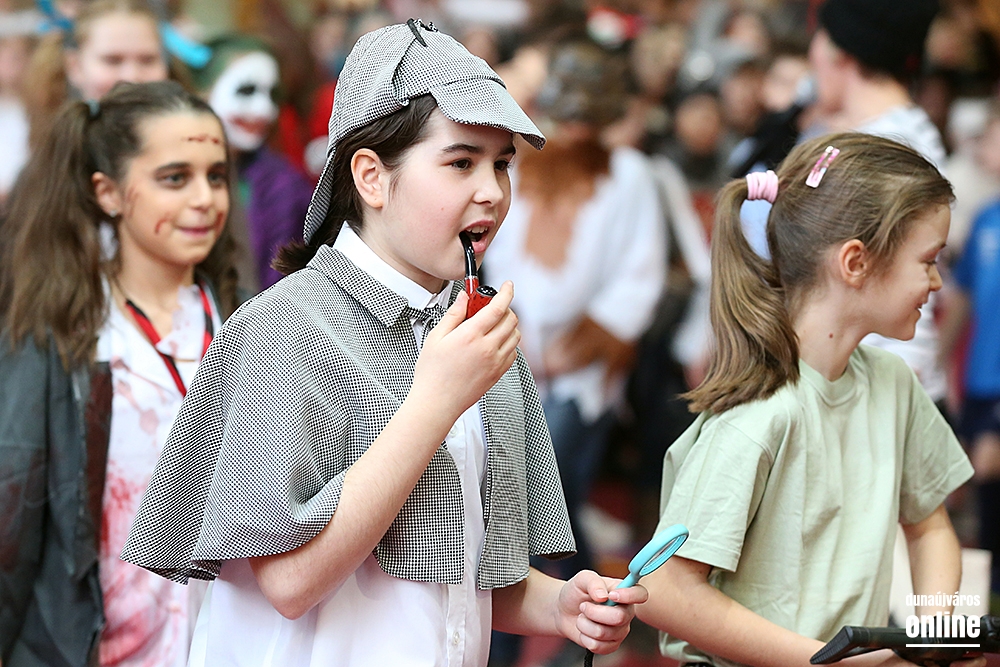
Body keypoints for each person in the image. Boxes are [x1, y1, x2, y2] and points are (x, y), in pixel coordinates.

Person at [120, 21, 644, 666]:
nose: (491, 190)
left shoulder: (474, 332)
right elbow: (290, 583)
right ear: (370, 176)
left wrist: (561, 605)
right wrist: (435, 401)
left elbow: (469, 577)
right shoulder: (282, 329)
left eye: (502, 164)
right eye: (460, 162)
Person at [636, 133, 981, 667]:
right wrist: (828, 662)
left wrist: (934, 637)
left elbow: (929, 525)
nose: (936, 282)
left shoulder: (893, 383)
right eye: (928, 260)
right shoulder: (757, 416)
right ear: (855, 262)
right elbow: (665, 591)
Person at [0, 80, 239, 667]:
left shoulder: (251, 324)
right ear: (107, 192)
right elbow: (13, 518)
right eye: (174, 178)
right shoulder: (64, 336)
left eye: (216, 176)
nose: (204, 199)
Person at [805, 0, 950, 411]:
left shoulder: (891, 147)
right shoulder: (874, 134)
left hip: (879, 393)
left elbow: (897, 281)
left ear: (839, 50)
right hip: (858, 384)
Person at [192, 34, 313, 290]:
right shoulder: (173, 175)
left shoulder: (287, 185)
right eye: (246, 91)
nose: (264, 110)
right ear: (202, 92)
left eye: (272, 95)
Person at [22, 0, 171, 150]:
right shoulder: (54, 154)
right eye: (112, 61)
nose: (132, 77)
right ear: (75, 66)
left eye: (148, 60)